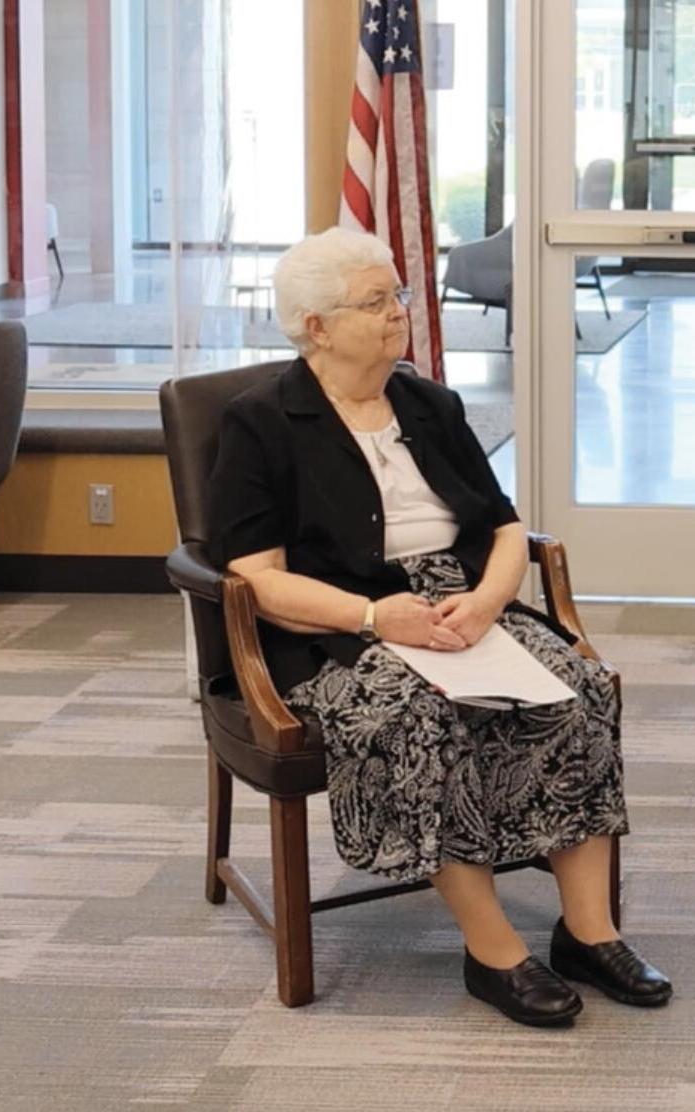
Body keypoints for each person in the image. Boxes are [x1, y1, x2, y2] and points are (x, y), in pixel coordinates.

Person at [208, 227, 670, 1028]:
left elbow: (501, 528)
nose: (399, 313)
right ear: (316, 325)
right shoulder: (261, 423)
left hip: (460, 606)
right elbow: (257, 576)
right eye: (376, 300)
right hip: (339, 627)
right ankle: (492, 952)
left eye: (399, 295)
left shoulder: (427, 402)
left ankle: (587, 932)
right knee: (420, 718)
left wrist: (489, 602)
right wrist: (372, 614)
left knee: (581, 691)